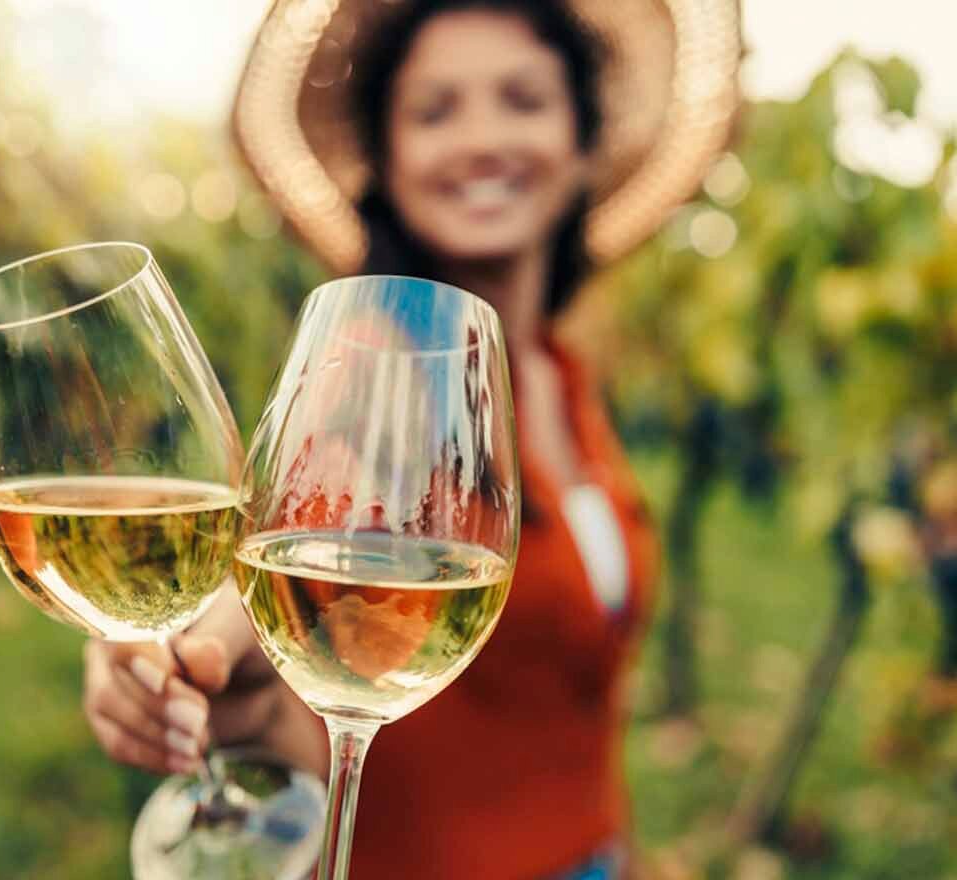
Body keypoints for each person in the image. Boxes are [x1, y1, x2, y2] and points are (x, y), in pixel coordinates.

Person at [82, 0, 741, 876]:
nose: (481, 138)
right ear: (385, 163)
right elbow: (298, 582)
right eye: (435, 111)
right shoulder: (367, 376)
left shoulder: (558, 376)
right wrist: (212, 667)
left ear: (583, 147)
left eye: (522, 99)